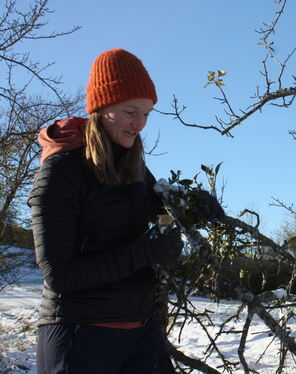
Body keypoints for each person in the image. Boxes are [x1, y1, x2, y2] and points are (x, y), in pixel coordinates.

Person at [28, 48, 217, 374]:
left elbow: (159, 201)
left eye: (146, 114)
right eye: (131, 111)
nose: (140, 124)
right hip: (81, 331)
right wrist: (143, 253)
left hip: (140, 328)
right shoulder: (61, 171)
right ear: (102, 108)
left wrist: (194, 205)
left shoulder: (132, 165)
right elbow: (60, 274)